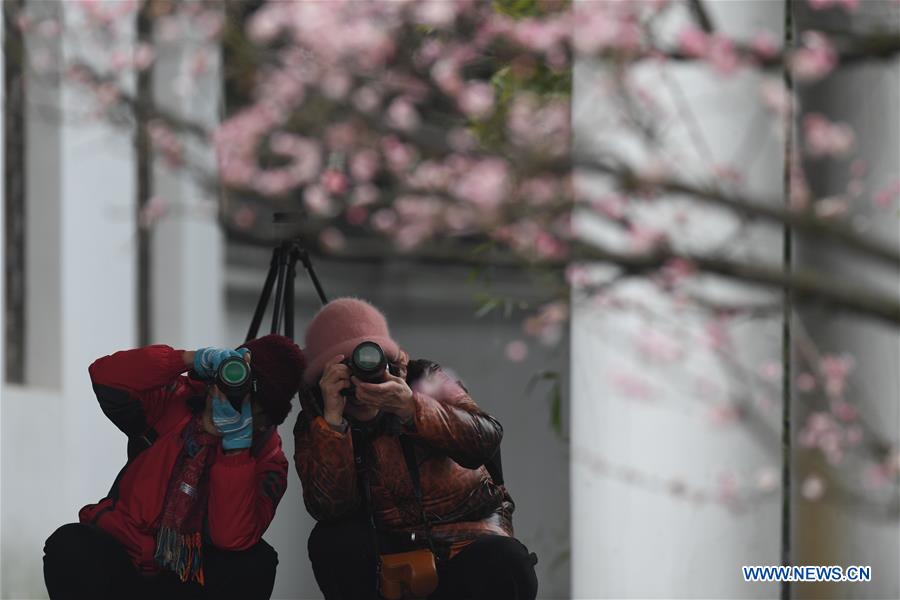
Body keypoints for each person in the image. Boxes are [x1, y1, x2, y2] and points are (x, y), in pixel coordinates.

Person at [294, 297, 538, 600]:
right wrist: (333, 424)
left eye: (370, 363)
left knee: (507, 561)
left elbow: (485, 440)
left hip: (465, 538)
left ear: (393, 362)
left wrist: (412, 408)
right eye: (346, 371)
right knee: (331, 540)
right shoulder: (318, 419)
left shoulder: (426, 381)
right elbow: (329, 509)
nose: (361, 382)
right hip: (385, 548)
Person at [43, 334, 305, 600]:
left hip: (191, 577)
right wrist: (188, 358)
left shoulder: (268, 460)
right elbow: (105, 376)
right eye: (232, 387)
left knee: (255, 563)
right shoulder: (176, 399)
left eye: (251, 402)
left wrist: (235, 448)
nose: (233, 401)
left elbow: (230, 537)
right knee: (70, 545)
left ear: (266, 420)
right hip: (126, 555)